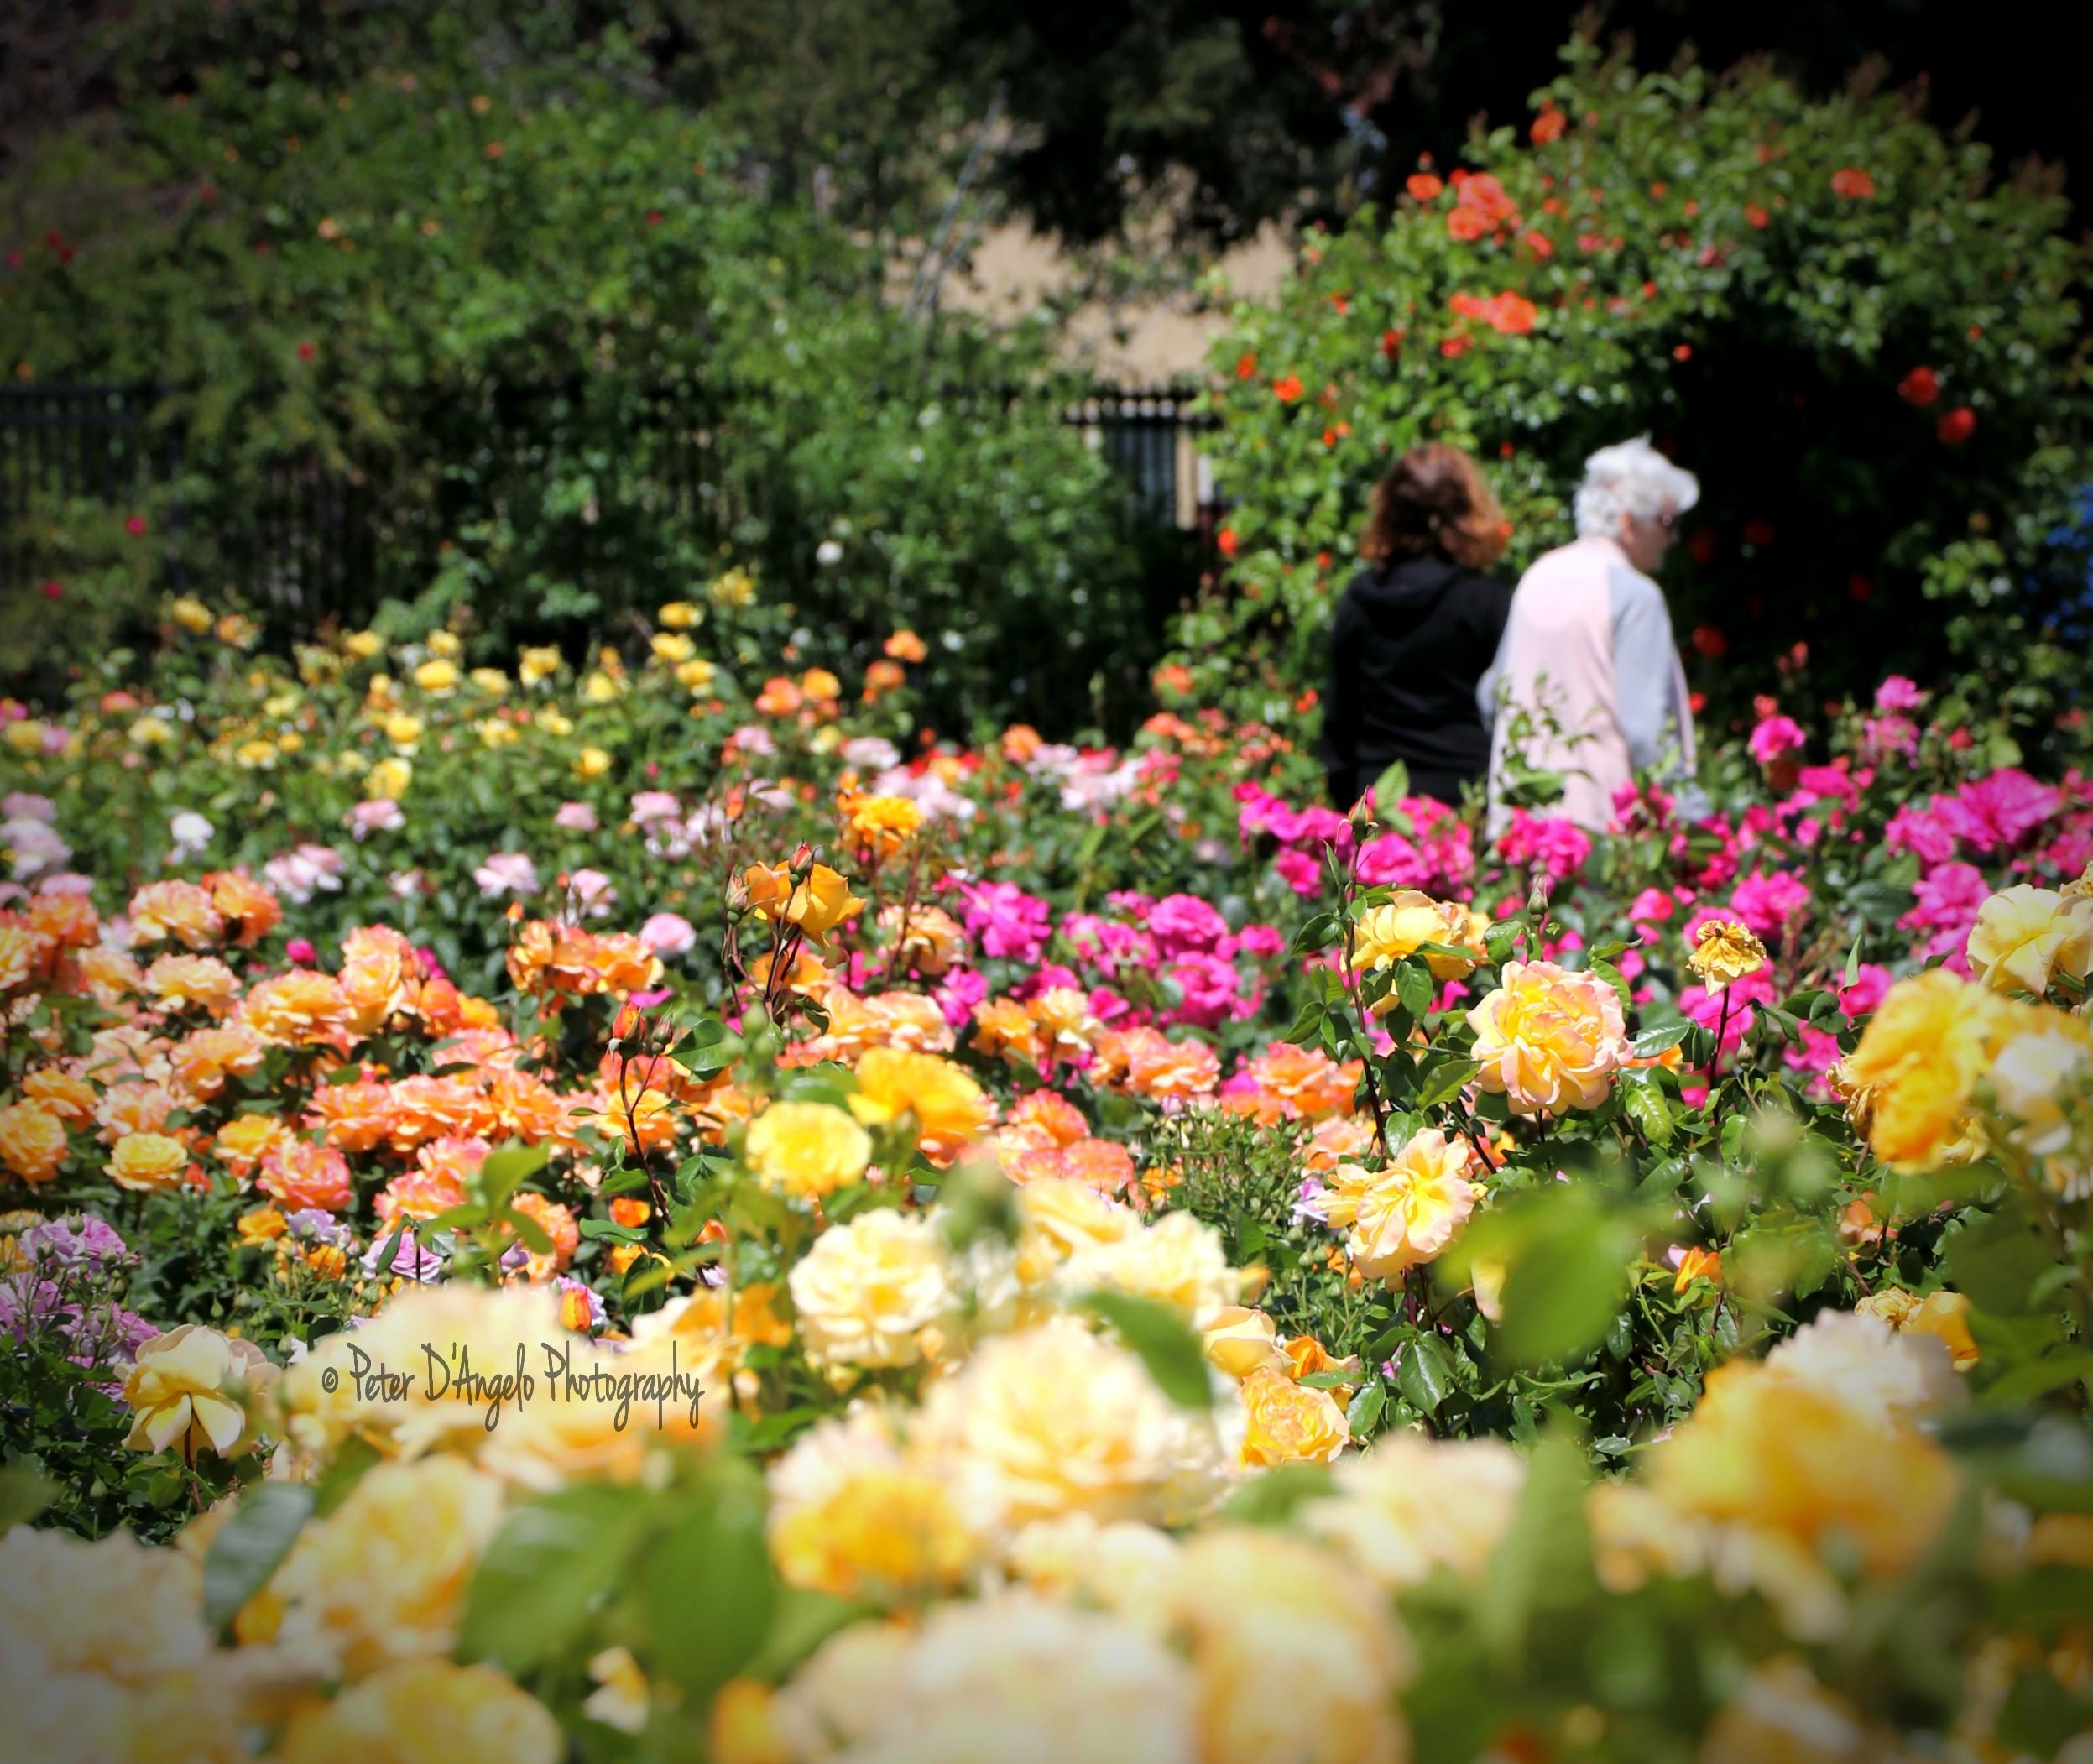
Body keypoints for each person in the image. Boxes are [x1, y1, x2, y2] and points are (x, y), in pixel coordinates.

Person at [1478, 436, 1702, 835]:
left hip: (1519, 828)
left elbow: (1492, 693)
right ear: (1628, 522)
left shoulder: (1538, 575)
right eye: (1668, 523)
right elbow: (1645, 733)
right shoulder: (1636, 595)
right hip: (1599, 837)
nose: (1673, 539)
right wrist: (1697, 818)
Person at [1321, 443, 1513, 812]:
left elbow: (1339, 721)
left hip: (1379, 805)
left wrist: (1348, 805)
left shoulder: (1360, 600)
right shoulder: (1484, 600)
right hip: (1464, 804)